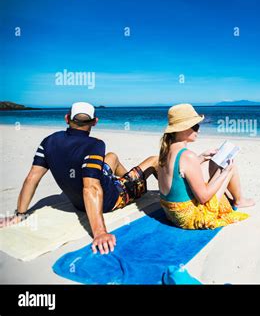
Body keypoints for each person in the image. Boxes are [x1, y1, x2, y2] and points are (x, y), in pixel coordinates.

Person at [0, 102, 158, 255]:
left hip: (79, 203)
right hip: (111, 199)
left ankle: (129, 180)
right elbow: (91, 187)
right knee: (154, 160)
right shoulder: (94, 145)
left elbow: (32, 178)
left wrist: (19, 215)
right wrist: (100, 232)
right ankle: (155, 193)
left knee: (112, 156)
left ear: (67, 118)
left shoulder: (49, 141)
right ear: (95, 122)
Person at [157, 103, 255, 230]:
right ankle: (239, 200)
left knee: (212, 163)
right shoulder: (187, 156)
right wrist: (225, 173)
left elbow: (178, 172)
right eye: (195, 126)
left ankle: (238, 197)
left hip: (170, 213)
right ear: (183, 129)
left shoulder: (165, 151)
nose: (199, 130)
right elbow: (203, 198)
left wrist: (202, 157)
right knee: (230, 166)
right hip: (191, 218)